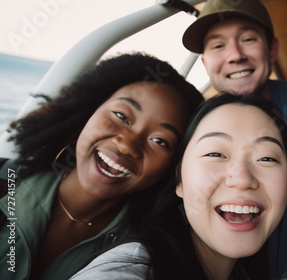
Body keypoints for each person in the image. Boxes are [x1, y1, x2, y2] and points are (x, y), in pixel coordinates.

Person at [181, 0, 287, 278]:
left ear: (272, 49)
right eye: (217, 45)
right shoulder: (193, 124)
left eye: (248, 39)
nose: (235, 55)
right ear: (204, 63)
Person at [0, 52, 204, 280]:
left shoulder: (147, 255)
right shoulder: (5, 181)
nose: (127, 146)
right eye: (121, 116)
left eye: (160, 141)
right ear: (89, 111)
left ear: (174, 167)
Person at [69, 93, 287, 279]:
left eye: (267, 158)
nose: (242, 178)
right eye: (216, 153)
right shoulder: (130, 268)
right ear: (179, 180)